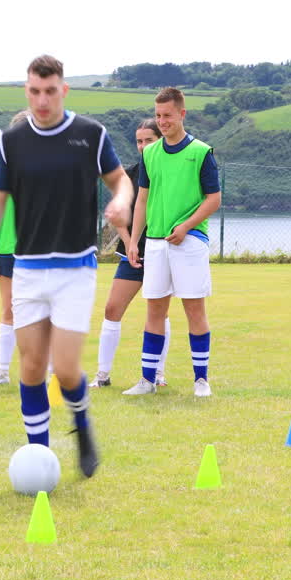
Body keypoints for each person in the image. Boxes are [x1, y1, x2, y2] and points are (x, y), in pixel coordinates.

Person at [0, 55, 132, 477]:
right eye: (34, 92)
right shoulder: (11, 141)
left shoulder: (90, 135)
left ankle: (81, 422)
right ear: (27, 90)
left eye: (50, 91)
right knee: (32, 365)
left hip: (75, 269)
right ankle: (40, 457)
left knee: (65, 366)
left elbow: (120, 179)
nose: (42, 100)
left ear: (64, 89)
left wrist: (121, 201)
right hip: (26, 269)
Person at [125, 87, 220, 397]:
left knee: (195, 310)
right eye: (158, 116)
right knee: (154, 311)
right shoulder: (150, 154)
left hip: (189, 241)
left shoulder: (202, 152)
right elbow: (142, 200)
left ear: (182, 114)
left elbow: (214, 199)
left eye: (167, 115)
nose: (162, 121)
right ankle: (147, 381)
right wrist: (133, 240)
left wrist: (186, 226)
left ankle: (201, 380)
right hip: (154, 243)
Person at [90, 119, 171, 388]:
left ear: (162, 138)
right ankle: (102, 376)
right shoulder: (129, 176)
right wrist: (130, 243)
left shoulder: (173, 173)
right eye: (139, 141)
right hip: (132, 255)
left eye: (149, 139)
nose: (143, 145)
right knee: (112, 309)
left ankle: (157, 373)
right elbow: (119, 217)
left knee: (158, 314)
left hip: (163, 252)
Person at [0, 110, 29, 386]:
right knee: (9, 308)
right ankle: (2, 372)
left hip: (40, 249)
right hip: (8, 248)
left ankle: (49, 372)